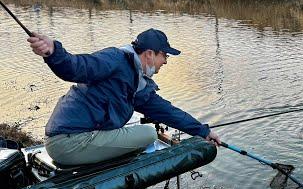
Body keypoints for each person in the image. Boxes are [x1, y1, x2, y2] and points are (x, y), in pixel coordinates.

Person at [27, 28, 221, 166]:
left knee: (139, 131)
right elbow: (78, 66)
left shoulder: (136, 80)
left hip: (68, 140)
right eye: (165, 56)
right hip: (69, 143)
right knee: (149, 134)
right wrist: (53, 52)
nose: (166, 62)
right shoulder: (116, 59)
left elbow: (166, 111)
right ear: (150, 54)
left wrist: (202, 131)